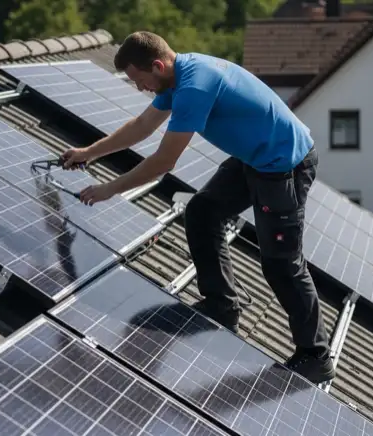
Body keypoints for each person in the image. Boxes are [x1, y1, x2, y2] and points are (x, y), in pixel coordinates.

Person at [61, 31, 334, 384]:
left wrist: (110, 188)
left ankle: (316, 355)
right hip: (255, 159)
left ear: (157, 66)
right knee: (203, 212)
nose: (139, 86)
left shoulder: (194, 86)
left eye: (139, 79)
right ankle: (222, 305)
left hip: (285, 165)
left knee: (281, 262)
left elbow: (163, 161)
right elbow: (142, 126)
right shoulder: (177, 77)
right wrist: (89, 152)